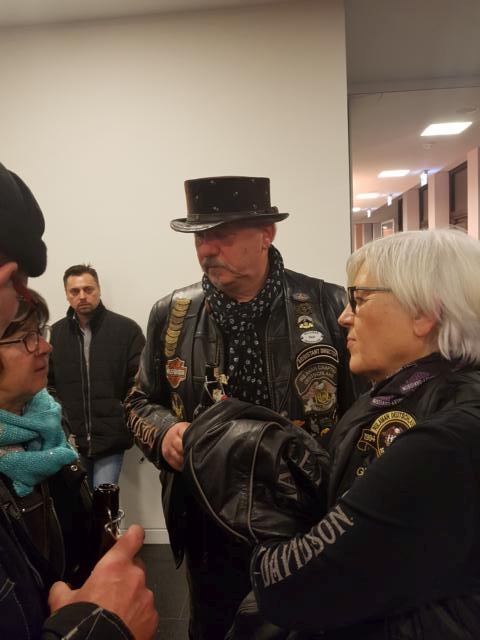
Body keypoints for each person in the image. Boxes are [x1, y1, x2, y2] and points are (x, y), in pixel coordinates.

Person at [125, 175, 365, 639]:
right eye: (200, 237)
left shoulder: (329, 304)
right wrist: (165, 432)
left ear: (266, 234)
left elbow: (360, 414)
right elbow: (138, 401)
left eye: (222, 235)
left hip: (305, 519)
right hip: (208, 520)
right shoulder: (171, 313)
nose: (207, 249)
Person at [239, 228, 480, 639]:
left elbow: (294, 588)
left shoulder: (445, 438)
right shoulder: (407, 395)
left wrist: (268, 527)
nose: (344, 316)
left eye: (360, 298)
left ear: (424, 313)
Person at [0, 161, 158, 639]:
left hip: (103, 440)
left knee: (99, 517)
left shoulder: (126, 330)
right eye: (25, 338)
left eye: (89, 288)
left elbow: (139, 389)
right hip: (78, 441)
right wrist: (101, 624)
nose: (42, 348)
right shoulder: (60, 337)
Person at [48, 264, 145, 489]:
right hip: (69, 441)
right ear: (66, 294)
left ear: (98, 290)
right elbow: (46, 385)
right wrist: (59, 422)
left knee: (104, 502)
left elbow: (140, 383)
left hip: (111, 439)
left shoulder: (127, 330)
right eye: (75, 291)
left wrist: (124, 418)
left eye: (88, 289)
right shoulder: (55, 335)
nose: (82, 296)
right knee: (77, 504)